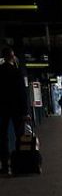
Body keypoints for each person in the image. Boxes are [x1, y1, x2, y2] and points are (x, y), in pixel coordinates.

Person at [0, 46, 29, 175]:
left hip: (1, 108)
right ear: (13, 57)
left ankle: (5, 166)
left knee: (2, 137)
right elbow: (22, 93)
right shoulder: (17, 72)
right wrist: (25, 112)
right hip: (17, 109)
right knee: (20, 136)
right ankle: (19, 165)